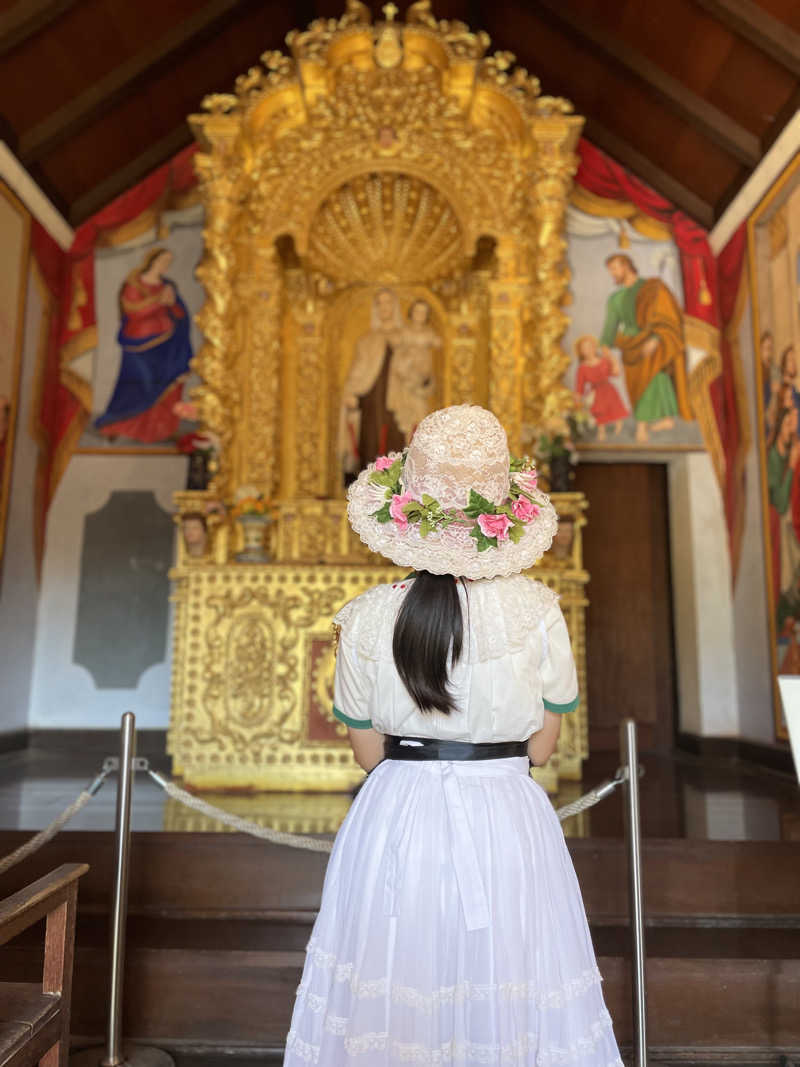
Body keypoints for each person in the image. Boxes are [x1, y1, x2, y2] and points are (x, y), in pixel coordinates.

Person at [284, 404, 623, 1066]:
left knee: (399, 975)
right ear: (501, 517)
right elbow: (543, 748)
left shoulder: (365, 617)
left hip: (397, 815)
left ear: (407, 510)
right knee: (511, 980)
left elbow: (365, 751)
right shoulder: (539, 611)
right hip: (506, 814)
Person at [95, 247, 193, 443]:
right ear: (151, 261)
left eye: (168, 262)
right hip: (139, 345)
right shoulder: (133, 284)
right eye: (162, 261)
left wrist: (172, 303)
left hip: (168, 343)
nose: (165, 266)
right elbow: (133, 313)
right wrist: (159, 301)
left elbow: (181, 313)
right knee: (137, 386)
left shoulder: (168, 285)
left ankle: (163, 429)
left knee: (167, 384)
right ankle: (118, 425)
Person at [600, 253, 692, 443]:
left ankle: (648, 424)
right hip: (631, 347)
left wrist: (656, 338)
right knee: (638, 386)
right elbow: (608, 333)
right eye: (611, 270)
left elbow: (667, 316)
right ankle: (663, 420)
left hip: (653, 341)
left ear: (626, 266)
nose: (613, 273)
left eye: (615, 268)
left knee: (656, 380)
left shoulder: (653, 288)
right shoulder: (615, 299)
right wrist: (611, 359)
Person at [341, 288, 405, 479]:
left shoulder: (406, 338)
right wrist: (351, 392)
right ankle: (368, 489)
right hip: (371, 399)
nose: (384, 308)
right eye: (380, 303)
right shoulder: (366, 341)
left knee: (397, 441)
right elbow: (359, 371)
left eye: (388, 303)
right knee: (370, 441)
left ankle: (398, 492)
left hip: (399, 401)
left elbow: (418, 371)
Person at [387, 298, 441, 438]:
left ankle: (417, 447)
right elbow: (393, 342)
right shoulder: (404, 331)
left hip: (422, 378)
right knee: (408, 416)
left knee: (421, 414)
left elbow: (438, 343)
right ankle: (407, 448)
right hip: (406, 378)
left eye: (423, 312)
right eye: (417, 311)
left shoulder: (429, 332)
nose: (420, 315)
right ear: (411, 312)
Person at [573, 334, 628, 440]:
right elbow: (579, 386)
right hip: (596, 392)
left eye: (590, 346)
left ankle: (619, 426)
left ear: (594, 347)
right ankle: (601, 431)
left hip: (608, 389)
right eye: (584, 348)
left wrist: (612, 359)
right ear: (580, 351)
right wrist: (578, 399)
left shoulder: (604, 361)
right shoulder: (582, 368)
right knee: (599, 411)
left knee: (615, 408)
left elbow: (615, 373)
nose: (588, 350)